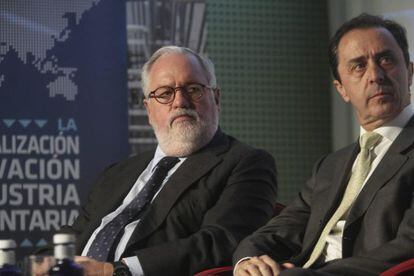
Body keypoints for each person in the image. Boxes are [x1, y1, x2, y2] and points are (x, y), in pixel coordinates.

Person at [60, 46, 277, 276]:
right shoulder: (116, 173)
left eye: (193, 89)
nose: (180, 102)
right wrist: (47, 263)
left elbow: (223, 240)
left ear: (216, 97)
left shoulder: (245, 163)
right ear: (149, 109)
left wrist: (116, 271)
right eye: (165, 93)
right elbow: (77, 233)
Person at [233, 13, 414, 276]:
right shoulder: (330, 166)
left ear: (409, 71)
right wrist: (248, 261)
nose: (375, 75)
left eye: (386, 59)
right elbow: (278, 231)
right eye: (358, 66)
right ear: (341, 89)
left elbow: (408, 247)